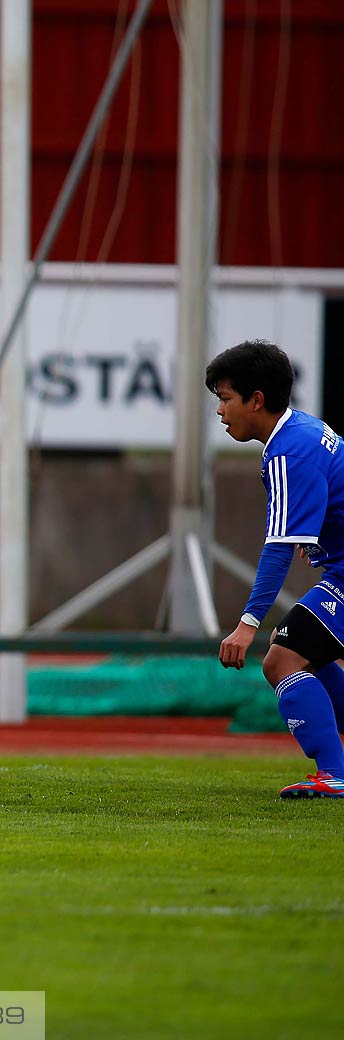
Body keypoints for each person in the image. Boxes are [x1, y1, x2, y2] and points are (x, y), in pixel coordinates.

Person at [207, 340, 344, 799]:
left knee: (281, 658)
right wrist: (322, 535)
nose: (221, 411)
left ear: (256, 400)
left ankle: (335, 774)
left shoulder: (288, 451)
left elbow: (277, 549)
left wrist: (247, 624)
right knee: (309, 655)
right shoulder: (305, 431)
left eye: (226, 399)